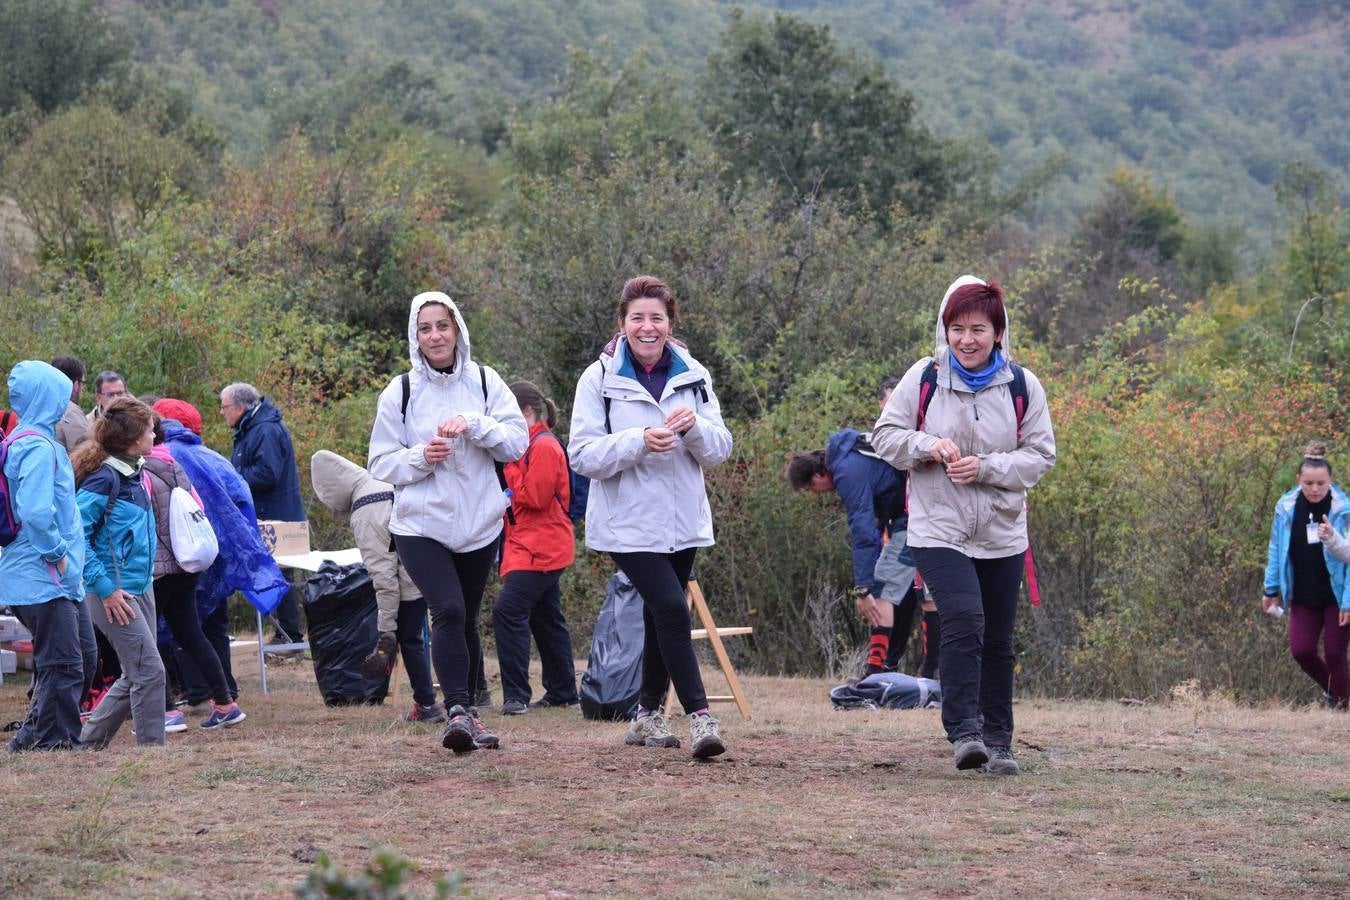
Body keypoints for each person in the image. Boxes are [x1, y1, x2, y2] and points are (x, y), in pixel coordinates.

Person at [871, 276, 1056, 775]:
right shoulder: (924, 377)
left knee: (998, 637)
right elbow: (884, 437)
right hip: (937, 528)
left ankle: (1000, 741)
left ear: (999, 332)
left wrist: (987, 467)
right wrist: (926, 447)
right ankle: (964, 732)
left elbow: (1041, 458)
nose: (967, 340)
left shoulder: (1023, 385)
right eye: (957, 328)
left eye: (978, 328)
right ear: (944, 329)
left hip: (1002, 533)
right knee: (964, 619)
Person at [569, 275, 734, 759]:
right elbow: (582, 454)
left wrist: (695, 429)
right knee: (669, 607)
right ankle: (701, 717)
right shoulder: (596, 379)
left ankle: (645, 716)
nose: (647, 327)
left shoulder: (693, 373)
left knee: (660, 612)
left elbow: (720, 448)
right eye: (637, 318)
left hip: (683, 519)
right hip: (627, 522)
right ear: (621, 324)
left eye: (656, 318)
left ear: (670, 322)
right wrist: (639, 440)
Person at [368, 291, 527, 753]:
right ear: (415, 337)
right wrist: (422, 456)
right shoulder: (399, 391)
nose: (435, 335)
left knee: (466, 619)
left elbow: (516, 443)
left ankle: (471, 714)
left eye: (443, 325)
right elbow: (380, 461)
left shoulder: (485, 381)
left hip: (480, 522)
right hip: (420, 524)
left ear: (457, 329)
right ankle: (456, 712)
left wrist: (474, 424)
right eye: (425, 328)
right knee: (449, 610)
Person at [785, 378, 939, 679]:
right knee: (929, 593)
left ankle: (875, 672)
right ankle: (934, 673)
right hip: (932, 508)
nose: (816, 494)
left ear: (818, 475)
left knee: (881, 589)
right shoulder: (853, 448)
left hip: (918, 515)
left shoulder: (847, 472)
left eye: (809, 489)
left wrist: (863, 588)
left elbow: (864, 529)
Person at [153, 398, 289, 711]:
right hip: (214, 551)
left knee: (180, 625)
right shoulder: (210, 456)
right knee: (211, 623)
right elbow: (241, 498)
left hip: (179, 554)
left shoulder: (164, 457)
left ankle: (191, 695)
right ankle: (223, 693)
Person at [311, 449, 442, 723]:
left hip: (411, 575)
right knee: (441, 631)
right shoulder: (379, 480)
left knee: (409, 638)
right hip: (432, 561)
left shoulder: (365, 508)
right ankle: (455, 699)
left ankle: (428, 704)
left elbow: (384, 577)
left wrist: (385, 630)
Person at [1, 361, 89, 751]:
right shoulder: (36, 447)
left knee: (76, 657)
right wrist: (58, 555)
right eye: (59, 390)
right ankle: (54, 741)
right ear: (46, 396)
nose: (66, 397)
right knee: (64, 664)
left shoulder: (30, 442)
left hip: (50, 576)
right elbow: (37, 512)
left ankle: (40, 735)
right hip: (42, 573)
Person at [72, 397, 167, 749]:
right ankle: (152, 754)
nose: (155, 433)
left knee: (139, 671)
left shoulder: (135, 471)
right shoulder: (103, 479)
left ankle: (87, 742)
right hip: (112, 591)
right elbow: (76, 538)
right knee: (150, 672)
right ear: (131, 438)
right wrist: (106, 588)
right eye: (148, 429)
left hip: (140, 587)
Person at [144, 413, 246, 730]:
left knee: (146, 639)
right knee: (191, 633)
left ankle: (166, 710)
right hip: (186, 565)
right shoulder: (176, 465)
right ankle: (225, 703)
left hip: (157, 569)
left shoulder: (141, 470)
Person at [492, 381, 580, 716]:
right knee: (546, 618)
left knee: (507, 611)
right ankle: (562, 691)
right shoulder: (527, 446)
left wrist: (507, 467)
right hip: (529, 545)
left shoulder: (542, 447)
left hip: (542, 548)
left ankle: (515, 695)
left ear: (526, 412)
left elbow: (535, 497)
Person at [1265, 442, 1350, 709]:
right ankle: (1338, 692)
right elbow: (1276, 548)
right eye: (1308, 483)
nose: (1314, 489)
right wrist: (1270, 589)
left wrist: (1348, 601)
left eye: (1320, 483)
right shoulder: (1286, 507)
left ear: (1330, 481)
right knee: (1301, 651)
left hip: (1337, 594)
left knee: (1336, 654)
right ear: (1299, 480)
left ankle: (1342, 706)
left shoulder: (1344, 510)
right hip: (1302, 593)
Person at [220, 382, 306, 644]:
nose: (222, 413)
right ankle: (285, 634)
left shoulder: (265, 429)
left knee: (282, 572)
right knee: (276, 572)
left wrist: (231, 480)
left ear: (240, 407)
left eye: (224, 407)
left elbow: (268, 473)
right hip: (268, 513)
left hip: (277, 515)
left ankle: (290, 635)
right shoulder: (252, 428)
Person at [49, 356, 91, 452]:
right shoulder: (70, 412)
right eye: (83, 383)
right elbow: (87, 455)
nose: (83, 389)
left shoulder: (34, 407)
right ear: (76, 385)